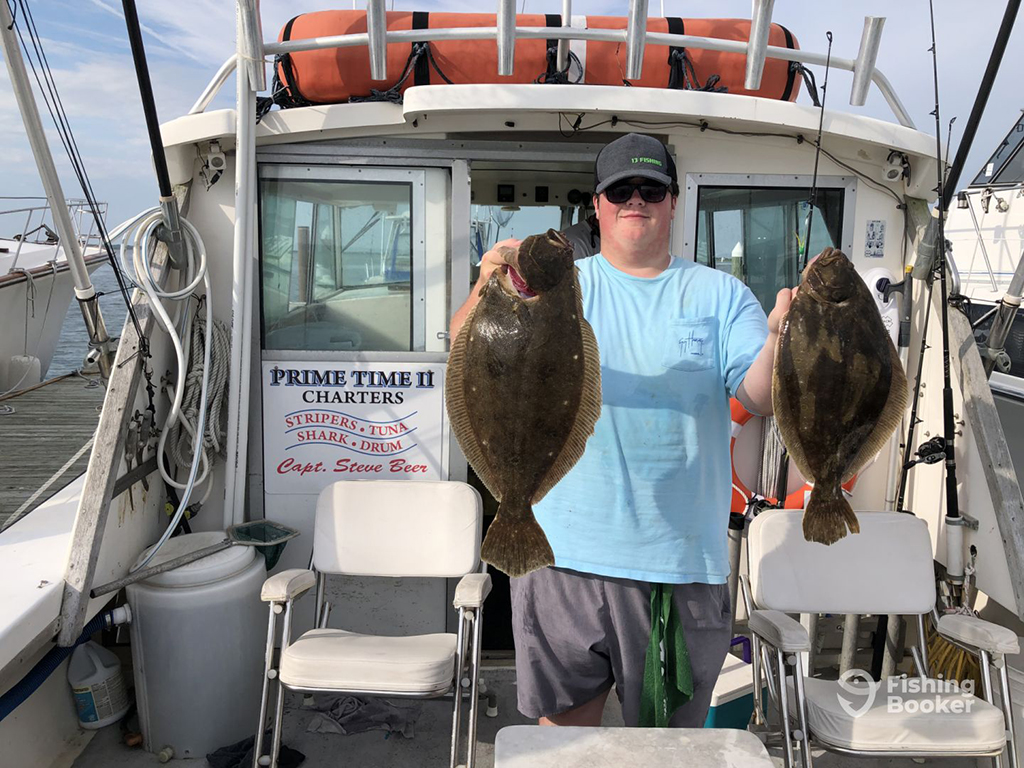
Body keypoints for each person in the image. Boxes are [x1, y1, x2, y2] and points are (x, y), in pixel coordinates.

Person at [449, 133, 792, 728]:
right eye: (621, 190)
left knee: (665, 751)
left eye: (652, 189)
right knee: (563, 747)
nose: (637, 201)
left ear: (673, 201)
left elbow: (756, 394)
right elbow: (464, 345)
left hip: (678, 567)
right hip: (562, 559)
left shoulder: (720, 294)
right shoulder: (561, 286)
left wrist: (783, 338)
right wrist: (488, 278)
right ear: (599, 205)